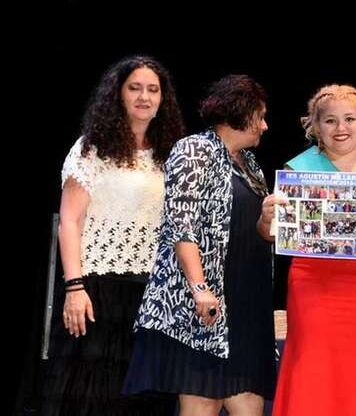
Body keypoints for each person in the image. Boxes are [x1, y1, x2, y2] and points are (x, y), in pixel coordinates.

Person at [260, 84, 356, 416]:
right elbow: (269, 235)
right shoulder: (298, 170)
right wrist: (266, 218)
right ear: (316, 127)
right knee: (311, 363)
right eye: (330, 120)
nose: (340, 128)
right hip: (311, 284)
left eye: (349, 119)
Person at [124, 75, 277, 415]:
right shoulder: (194, 150)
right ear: (241, 113)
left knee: (250, 402)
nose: (265, 126)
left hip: (246, 304)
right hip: (206, 305)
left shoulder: (251, 165)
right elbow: (182, 225)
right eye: (261, 116)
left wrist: (268, 220)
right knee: (203, 402)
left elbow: (259, 232)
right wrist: (199, 288)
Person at [42, 55, 185, 415]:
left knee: (142, 399)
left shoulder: (171, 154)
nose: (144, 97)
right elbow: (69, 221)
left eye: (153, 90)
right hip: (96, 290)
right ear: (118, 93)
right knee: (91, 396)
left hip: (152, 295)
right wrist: (74, 288)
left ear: (163, 98)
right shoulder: (92, 148)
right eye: (134, 88)